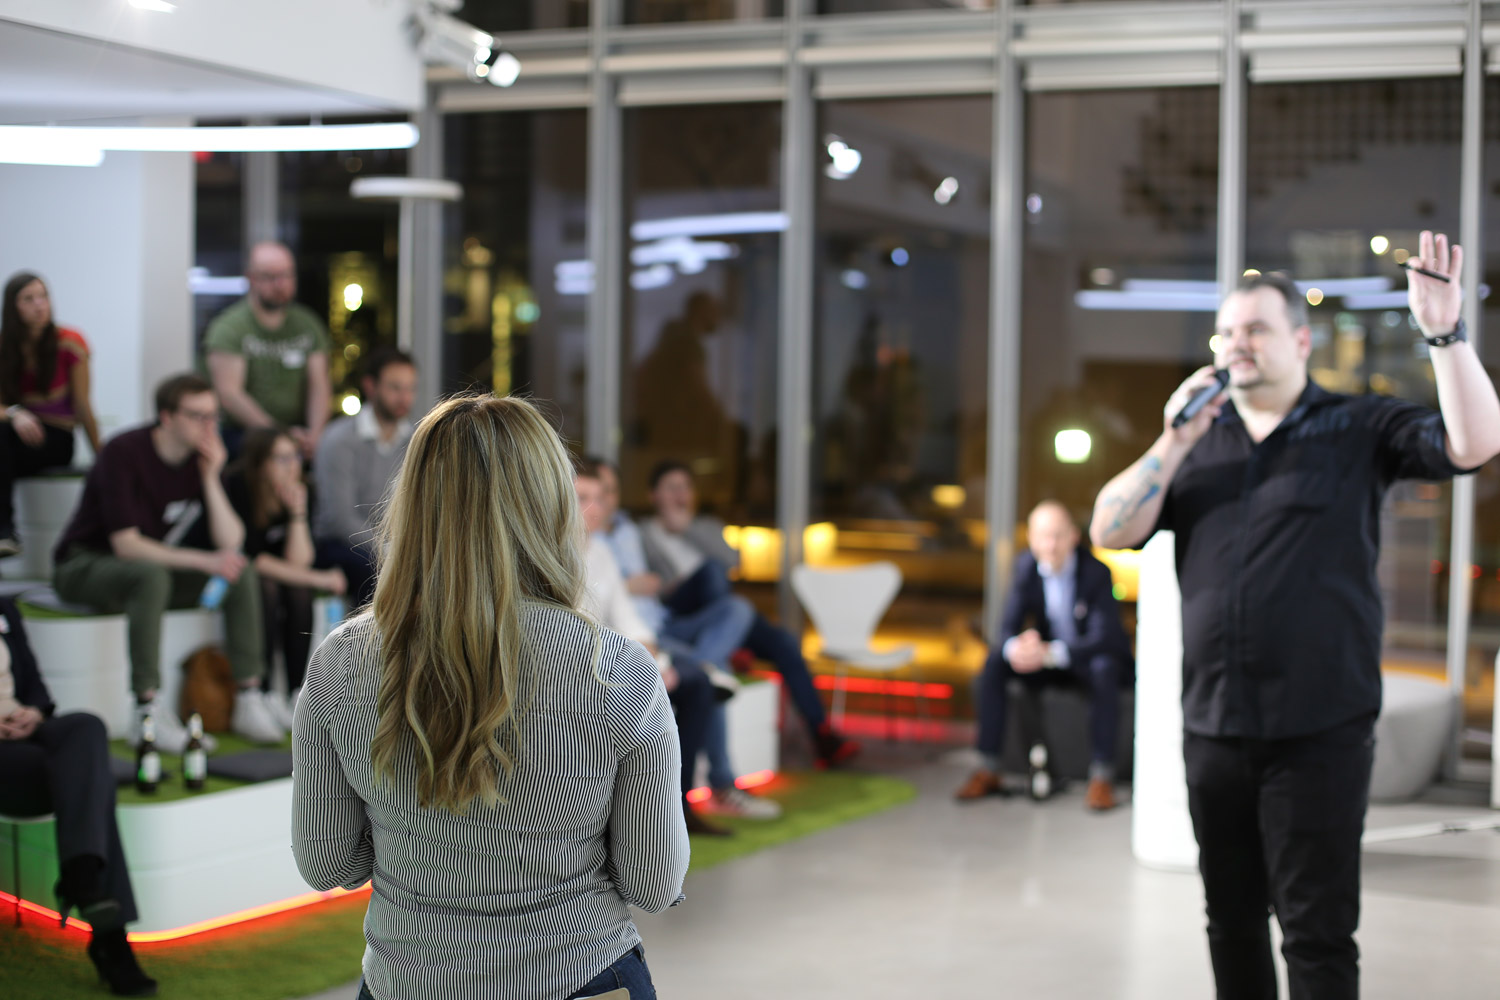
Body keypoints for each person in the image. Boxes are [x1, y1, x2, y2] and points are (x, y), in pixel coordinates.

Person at [1089, 234, 1500, 1000]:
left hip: (1320, 731)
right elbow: (1110, 530)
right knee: (1231, 922)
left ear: (1302, 341)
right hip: (1214, 728)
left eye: (1256, 328)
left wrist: (1445, 335)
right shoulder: (1196, 445)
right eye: (1226, 332)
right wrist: (1172, 439)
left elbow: (1473, 444)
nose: (1236, 344)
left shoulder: (1357, 426)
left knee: (1316, 933)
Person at [292, 396, 687, 1000]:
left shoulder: (342, 661)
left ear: (413, 504)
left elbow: (329, 863)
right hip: (582, 975)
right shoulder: (615, 666)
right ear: (552, 507)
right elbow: (652, 883)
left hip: (410, 981)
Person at [52, 374, 282, 750]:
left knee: (239, 571)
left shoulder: (199, 460)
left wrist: (212, 476)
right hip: (83, 565)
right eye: (197, 416)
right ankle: (146, 710)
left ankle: (248, 696)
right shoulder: (124, 452)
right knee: (152, 576)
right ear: (167, 417)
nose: (209, 426)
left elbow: (232, 542)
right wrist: (204, 561)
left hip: (143, 572)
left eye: (213, 416)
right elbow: (126, 545)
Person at [591, 456, 780, 820]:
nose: (602, 502)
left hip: (663, 624)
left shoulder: (628, 533)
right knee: (710, 677)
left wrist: (661, 585)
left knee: (737, 608)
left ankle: (708, 663)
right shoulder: (590, 543)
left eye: (608, 492)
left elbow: (727, 563)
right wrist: (632, 587)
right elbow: (609, 606)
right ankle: (722, 784)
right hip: (636, 638)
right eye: (591, 495)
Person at [641, 460, 860, 769]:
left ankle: (822, 733)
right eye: (671, 488)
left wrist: (688, 529)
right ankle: (729, 646)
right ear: (653, 495)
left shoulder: (705, 526)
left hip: (724, 608)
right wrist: (668, 585)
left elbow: (735, 561)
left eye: (685, 487)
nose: (680, 495)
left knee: (783, 641)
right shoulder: (644, 533)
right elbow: (646, 587)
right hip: (684, 611)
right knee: (712, 573)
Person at [0, 596, 157, 997]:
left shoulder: (5, 608)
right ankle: (109, 937)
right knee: (89, 781)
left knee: (86, 726)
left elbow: (35, 687)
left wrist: (34, 713)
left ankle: (82, 878)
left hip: (25, 730)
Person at [575, 463, 731, 837]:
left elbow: (628, 619)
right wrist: (646, 664)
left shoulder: (601, 552)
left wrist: (656, 660)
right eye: (582, 498)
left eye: (599, 498)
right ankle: (631, 818)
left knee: (695, 683)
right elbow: (576, 630)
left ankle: (678, 807)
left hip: (620, 657)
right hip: (586, 666)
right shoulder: (553, 554)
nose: (595, 508)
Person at [955, 501, 1133, 811]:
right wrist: (1019, 648)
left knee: (1104, 668)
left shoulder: (1096, 572)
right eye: (1043, 536)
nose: (1050, 545)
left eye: (1058, 536)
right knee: (995, 663)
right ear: (1032, 539)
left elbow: (1103, 638)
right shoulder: (1025, 567)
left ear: (1073, 536)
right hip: (1046, 659)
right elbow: (1007, 629)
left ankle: (1102, 777)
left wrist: (1053, 652)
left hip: (1084, 659)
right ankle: (988, 767)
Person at [223, 427, 347, 729]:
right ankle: (264, 691)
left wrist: (297, 514)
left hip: (280, 573)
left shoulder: (303, 490)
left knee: (297, 591)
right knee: (267, 587)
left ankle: (295, 691)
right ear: (261, 463)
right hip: (236, 571)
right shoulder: (241, 486)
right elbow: (254, 558)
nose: (291, 467)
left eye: (295, 457)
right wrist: (318, 579)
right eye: (280, 459)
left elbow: (299, 560)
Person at [0, 272, 103, 557]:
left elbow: (83, 405)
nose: (39, 305)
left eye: (43, 296)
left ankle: (5, 531)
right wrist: (16, 414)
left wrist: (102, 457)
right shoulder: (5, 346)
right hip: (13, 435)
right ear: (12, 307)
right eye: (28, 299)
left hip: (56, 438)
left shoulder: (70, 342)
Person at [203, 241, 332, 459]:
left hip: (299, 433)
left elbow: (319, 384)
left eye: (287, 275)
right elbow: (229, 394)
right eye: (270, 277)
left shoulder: (308, 324)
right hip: (245, 435)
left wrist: (316, 434)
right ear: (251, 278)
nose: (280, 284)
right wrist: (278, 435)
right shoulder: (229, 328)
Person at [312, 348, 416, 608]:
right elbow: (340, 520)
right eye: (395, 387)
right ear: (371, 386)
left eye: (410, 388)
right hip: (341, 544)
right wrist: (389, 550)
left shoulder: (414, 440)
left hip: (394, 545)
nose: (404, 397)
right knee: (373, 571)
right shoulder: (340, 440)